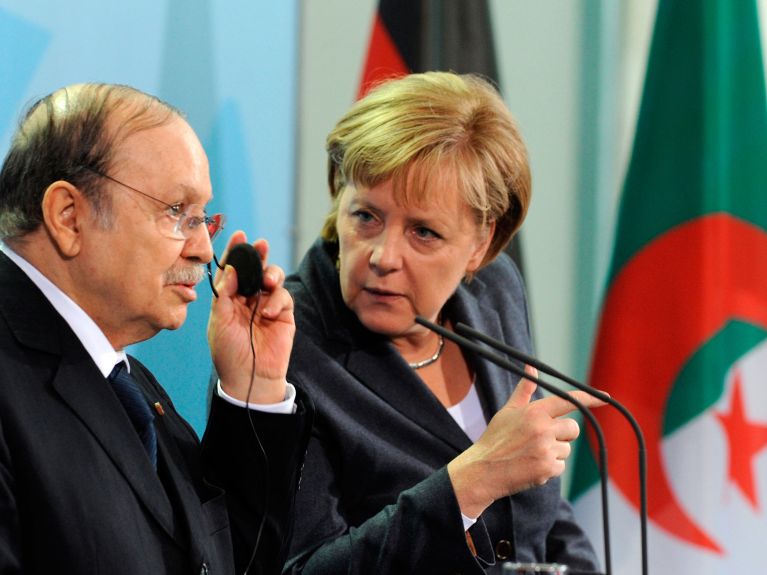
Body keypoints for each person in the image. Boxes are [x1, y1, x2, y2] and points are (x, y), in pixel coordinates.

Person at [283, 71, 603, 574]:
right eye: (366, 216)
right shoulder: (287, 342)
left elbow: (537, 509)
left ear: (480, 244)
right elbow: (302, 569)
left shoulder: (494, 291)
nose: (383, 257)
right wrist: (471, 482)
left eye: (424, 232)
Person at [0, 83, 311, 574]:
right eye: (176, 212)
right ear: (68, 216)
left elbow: (231, 561)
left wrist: (257, 386)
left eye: (202, 219)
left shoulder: (130, 384)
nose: (205, 251)